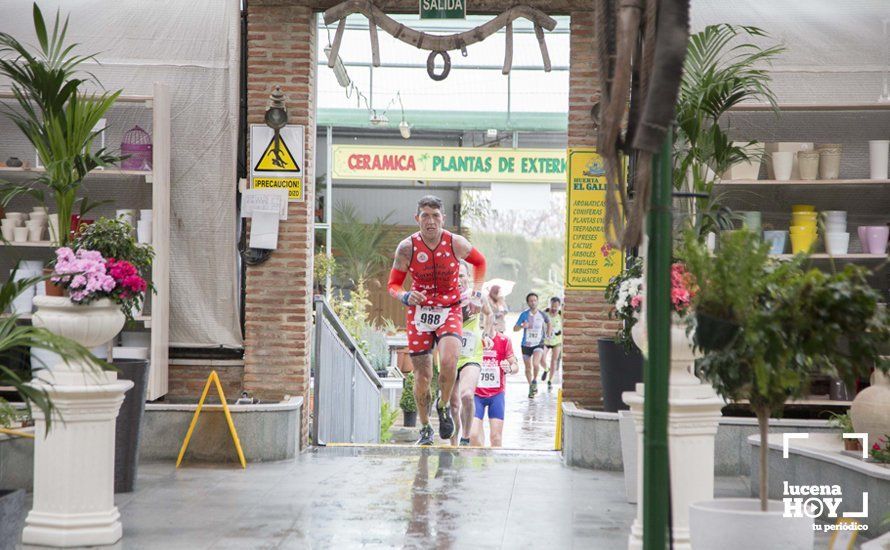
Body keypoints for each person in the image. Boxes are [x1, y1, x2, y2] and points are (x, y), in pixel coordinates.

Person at [388, 195, 487, 446]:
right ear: (417, 218)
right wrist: (406, 296)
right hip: (419, 313)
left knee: (449, 359)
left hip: (450, 309)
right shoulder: (407, 248)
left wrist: (475, 294)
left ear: (443, 218)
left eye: (435, 216)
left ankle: (443, 407)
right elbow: (393, 285)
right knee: (422, 375)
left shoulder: (456, 243)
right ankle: (424, 427)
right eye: (425, 216)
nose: (430, 221)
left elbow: (480, 262)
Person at [449, 260, 493, 446]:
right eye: (454, 275)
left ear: (468, 277)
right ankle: (453, 443)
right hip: (449, 354)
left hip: (471, 354)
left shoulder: (477, 296)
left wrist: (487, 333)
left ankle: (465, 438)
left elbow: (489, 314)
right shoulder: (444, 298)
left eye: (461, 275)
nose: (458, 279)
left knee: (467, 395)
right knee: (453, 404)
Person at [470, 318, 518, 447]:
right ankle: (480, 461)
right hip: (476, 394)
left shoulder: (504, 340)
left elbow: (515, 365)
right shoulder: (474, 340)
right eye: (482, 320)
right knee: (473, 435)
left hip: (496, 394)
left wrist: (509, 368)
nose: (485, 324)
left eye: (488, 320)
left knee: (496, 438)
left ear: (494, 323)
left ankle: (494, 465)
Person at [514, 292, 550, 398]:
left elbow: (549, 323)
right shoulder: (524, 315)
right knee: (528, 368)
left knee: (535, 364)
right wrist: (522, 326)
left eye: (535, 300)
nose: (533, 302)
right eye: (531, 301)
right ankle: (531, 387)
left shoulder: (542, 314)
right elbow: (514, 329)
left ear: (537, 301)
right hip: (526, 345)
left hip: (538, 344)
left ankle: (534, 380)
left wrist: (548, 333)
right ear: (528, 303)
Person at [542, 296, 563, 390]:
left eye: (556, 306)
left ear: (559, 306)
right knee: (541, 358)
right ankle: (546, 369)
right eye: (552, 306)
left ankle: (550, 381)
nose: (554, 308)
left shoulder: (561, 314)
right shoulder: (544, 313)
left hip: (557, 341)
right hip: (545, 340)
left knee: (554, 360)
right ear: (549, 305)